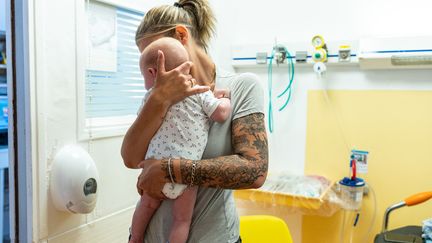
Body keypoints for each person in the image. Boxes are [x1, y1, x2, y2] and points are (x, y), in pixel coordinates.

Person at [121, 0, 269, 242]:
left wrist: (168, 169)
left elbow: (254, 171)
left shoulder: (240, 87)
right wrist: (159, 99)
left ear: (180, 36)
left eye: (154, 57)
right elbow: (130, 158)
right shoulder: (157, 95)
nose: (154, 72)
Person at [129, 37, 231, 243]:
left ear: (152, 72)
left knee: (146, 205)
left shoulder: (150, 97)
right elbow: (220, 114)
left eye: (143, 77)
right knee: (182, 220)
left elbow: (141, 123)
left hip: (155, 169)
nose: (145, 84)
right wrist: (224, 99)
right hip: (186, 172)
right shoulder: (199, 91)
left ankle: (136, 238)